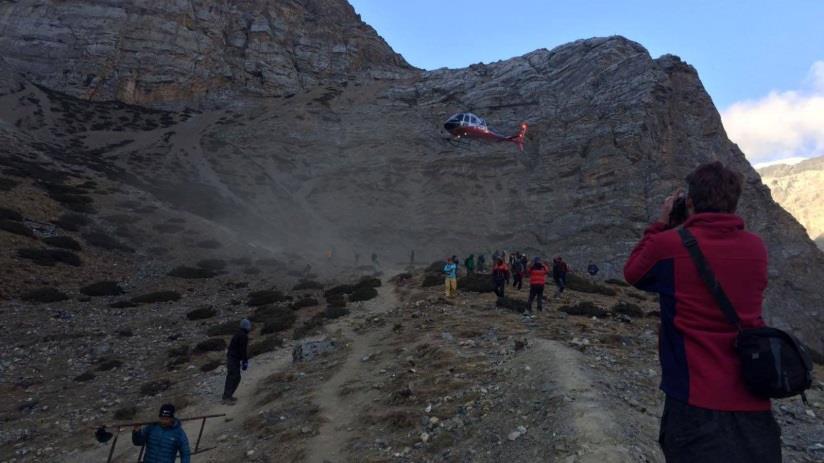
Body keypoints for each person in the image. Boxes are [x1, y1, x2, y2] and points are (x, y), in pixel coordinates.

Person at [624, 161, 780, 462]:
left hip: (693, 400)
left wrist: (662, 224)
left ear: (690, 201)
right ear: (734, 201)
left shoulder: (668, 245)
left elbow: (634, 274)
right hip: (753, 397)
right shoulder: (756, 247)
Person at [222, 319, 251, 404]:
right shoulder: (243, 336)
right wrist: (245, 361)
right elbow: (243, 350)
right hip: (233, 359)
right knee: (234, 377)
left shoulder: (238, 333)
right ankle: (226, 397)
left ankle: (227, 396)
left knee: (233, 376)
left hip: (232, 358)